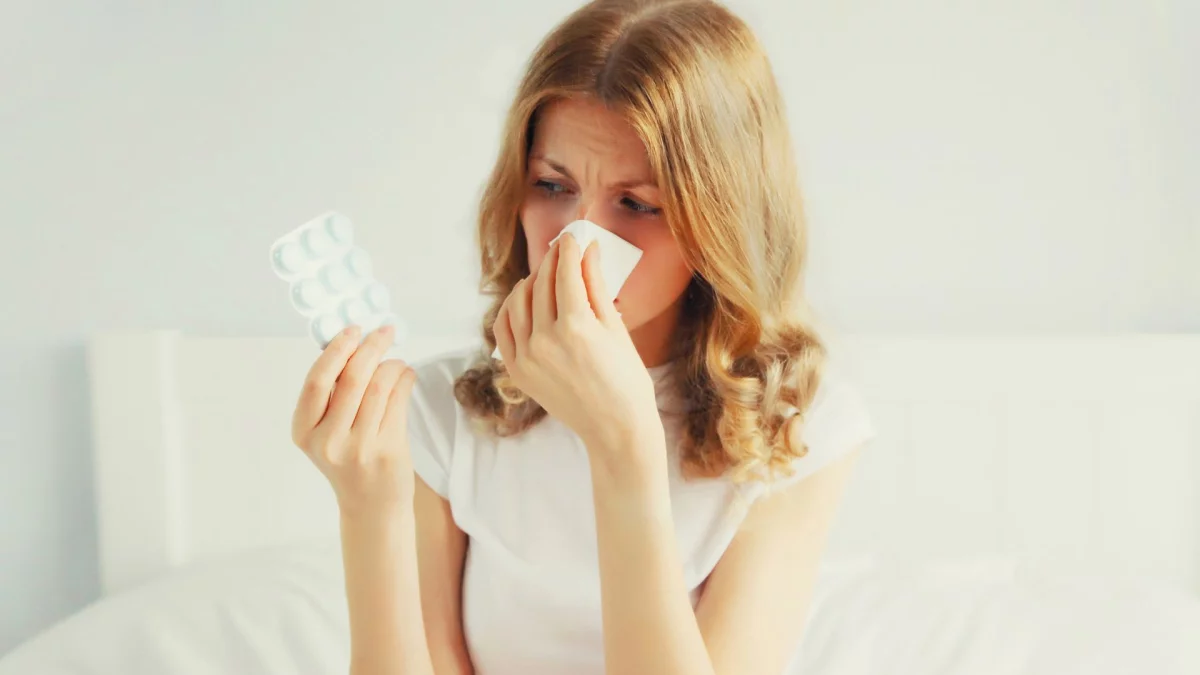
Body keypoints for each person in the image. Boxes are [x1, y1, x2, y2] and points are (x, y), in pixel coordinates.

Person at [290, 0, 877, 673]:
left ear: (720, 220)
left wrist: (623, 446)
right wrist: (370, 512)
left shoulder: (801, 428)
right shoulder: (440, 414)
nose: (578, 242)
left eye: (636, 204)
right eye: (551, 185)